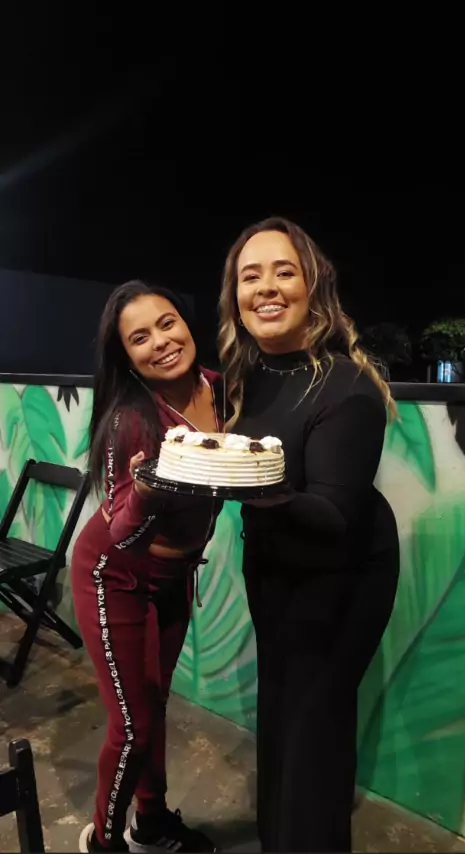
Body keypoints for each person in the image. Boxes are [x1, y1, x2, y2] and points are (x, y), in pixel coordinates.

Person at [218, 217, 400, 853]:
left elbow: (333, 516)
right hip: (274, 568)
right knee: (280, 715)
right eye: (250, 276)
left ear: (313, 287)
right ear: (235, 297)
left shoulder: (345, 385)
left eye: (284, 271)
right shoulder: (246, 376)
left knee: (312, 732)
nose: (266, 288)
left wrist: (248, 486)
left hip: (343, 577)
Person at [72, 281, 222, 853]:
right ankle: (104, 842)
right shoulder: (130, 420)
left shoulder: (219, 389)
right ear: (127, 357)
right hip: (114, 573)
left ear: (185, 322)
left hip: (175, 575)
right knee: (132, 725)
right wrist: (147, 495)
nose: (160, 342)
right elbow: (124, 535)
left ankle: (151, 823)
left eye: (167, 323)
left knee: (153, 707)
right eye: (140, 338)